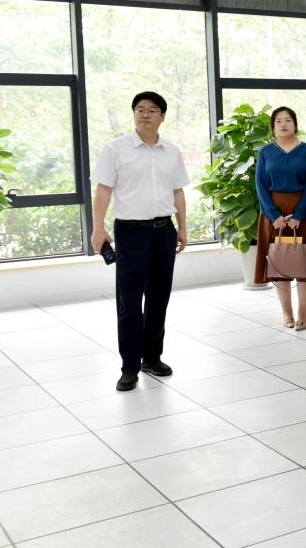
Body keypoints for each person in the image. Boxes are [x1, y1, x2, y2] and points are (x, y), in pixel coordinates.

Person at [90, 91, 189, 392]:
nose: (145, 114)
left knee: (159, 298)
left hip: (164, 230)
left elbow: (178, 192)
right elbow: (104, 190)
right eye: (140, 109)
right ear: (134, 114)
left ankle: (152, 358)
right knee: (130, 302)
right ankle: (129, 367)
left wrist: (182, 228)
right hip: (131, 232)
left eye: (152, 110)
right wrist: (98, 229)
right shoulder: (116, 149)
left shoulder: (171, 151)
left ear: (162, 116)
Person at [254, 107, 306, 331]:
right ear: (273, 126)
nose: (283, 124)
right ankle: (287, 311)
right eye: (279, 121)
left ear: (295, 124)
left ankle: (303, 311)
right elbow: (260, 186)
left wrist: (300, 215)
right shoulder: (266, 152)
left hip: (304, 213)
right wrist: (274, 215)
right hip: (274, 215)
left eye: (288, 120)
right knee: (279, 262)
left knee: (304, 264)